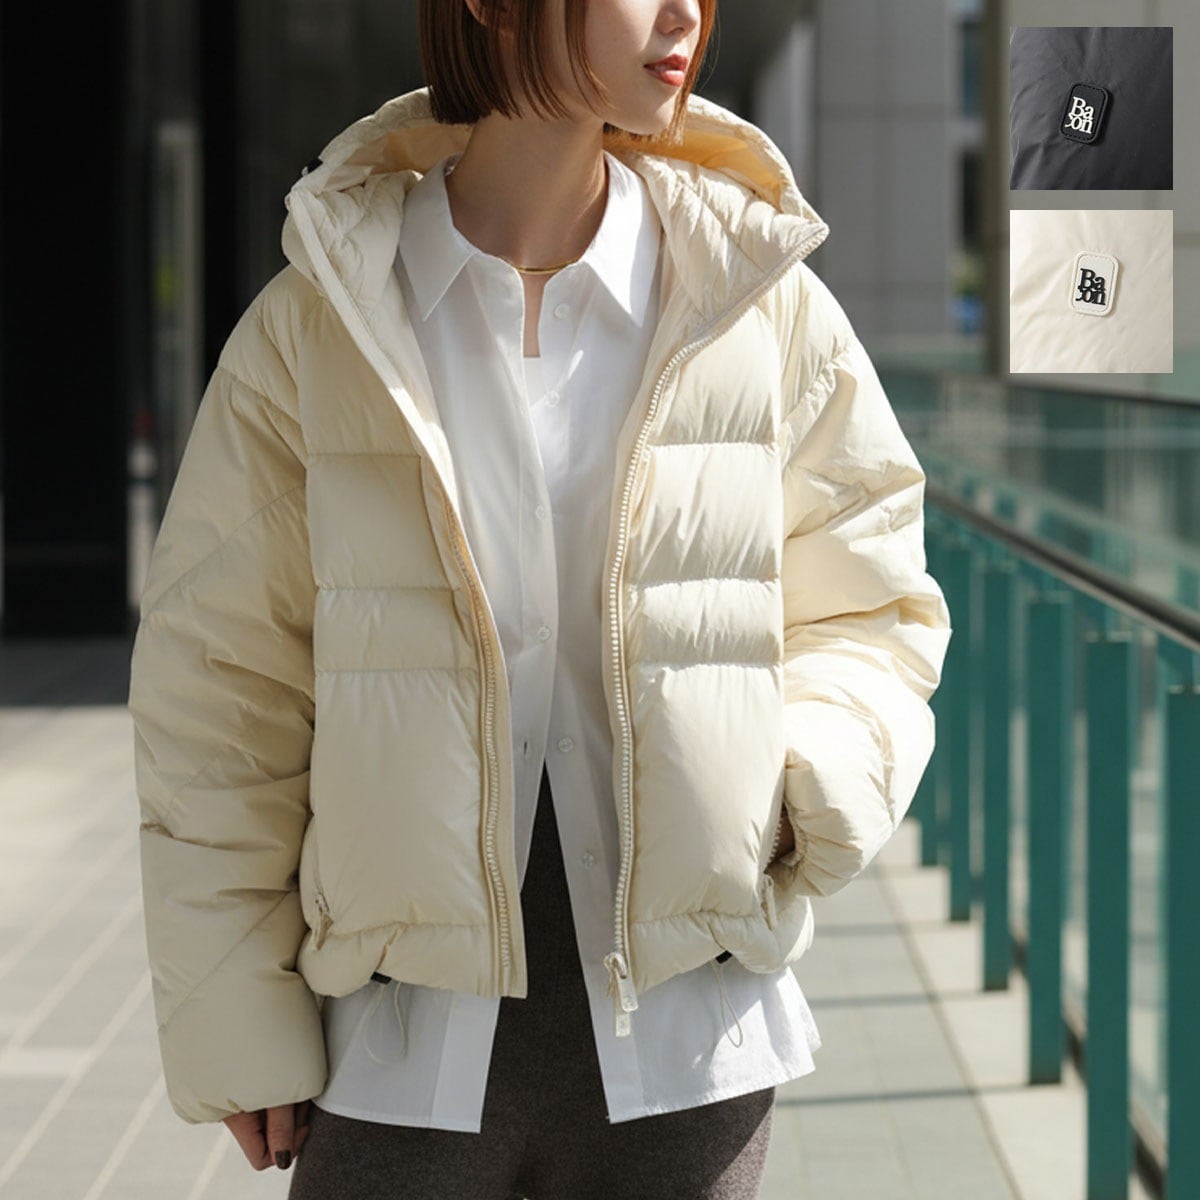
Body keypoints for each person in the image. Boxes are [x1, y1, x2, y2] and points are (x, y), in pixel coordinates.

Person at [127, 0, 951, 1196]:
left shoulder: (753, 301)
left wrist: (795, 793)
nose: (686, 11)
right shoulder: (319, 325)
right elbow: (221, 691)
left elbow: (872, 604)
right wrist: (238, 1013)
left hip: (685, 1055)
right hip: (397, 1053)